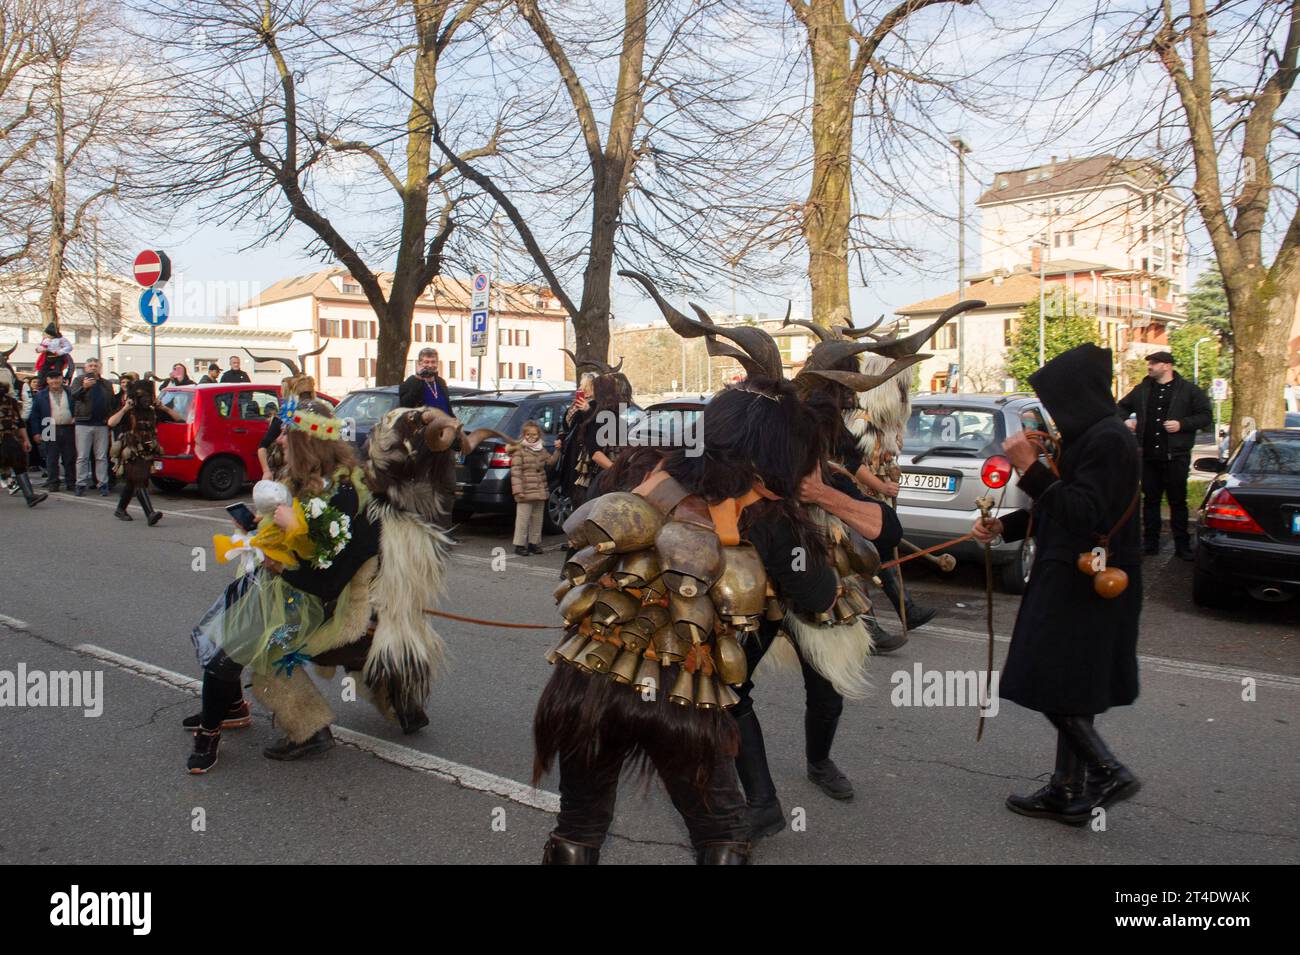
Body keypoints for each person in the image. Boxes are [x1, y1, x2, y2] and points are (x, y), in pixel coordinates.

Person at [972, 343, 1142, 826]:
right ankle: (1067, 791)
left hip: (1084, 583)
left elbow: (1087, 515)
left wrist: (1029, 465)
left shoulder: (1109, 440)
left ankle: (1106, 770)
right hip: (1068, 575)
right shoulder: (1092, 437)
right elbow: (1059, 505)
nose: (1050, 411)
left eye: (1055, 399)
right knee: (1075, 686)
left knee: (1046, 678)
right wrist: (1003, 526)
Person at [186, 400, 380, 773]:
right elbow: (285, 538)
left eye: (288, 439)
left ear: (308, 444)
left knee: (228, 653)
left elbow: (329, 575)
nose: (279, 445)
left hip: (314, 600)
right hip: (281, 585)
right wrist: (258, 533)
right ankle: (231, 709)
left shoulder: (345, 495)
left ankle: (211, 734)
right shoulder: (303, 481)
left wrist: (275, 558)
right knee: (223, 631)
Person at [1117, 350, 1213, 560]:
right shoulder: (1142, 390)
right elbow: (1120, 408)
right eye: (1149, 363)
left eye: (1154, 363)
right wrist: (1126, 421)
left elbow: (1206, 416)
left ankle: (1182, 546)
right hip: (1148, 456)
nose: (1149, 366)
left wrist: (1182, 424)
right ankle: (1150, 543)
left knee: (1177, 502)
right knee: (1150, 501)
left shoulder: (1188, 390)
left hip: (1176, 456)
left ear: (1167, 366)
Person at [106, 377, 181, 524]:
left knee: (133, 482)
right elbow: (111, 422)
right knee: (139, 480)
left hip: (147, 451)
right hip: (131, 452)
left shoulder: (154, 411)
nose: (146, 399)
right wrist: (124, 409)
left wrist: (164, 408)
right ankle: (150, 514)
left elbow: (179, 419)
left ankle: (120, 509)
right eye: (142, 396)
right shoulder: (129, 411)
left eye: (148, 396)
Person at [509, 419, 558, 555]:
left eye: (534, 435)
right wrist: (518, 491)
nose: (531, 437)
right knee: (523, 520)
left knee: (537, 519)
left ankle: (534, 543)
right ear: (523, 435)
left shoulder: (541, 450)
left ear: (539, 435)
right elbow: (516, 472)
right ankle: (519, 545)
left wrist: (558, 450)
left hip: (540, 489)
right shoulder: (519, 451)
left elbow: (551, 462)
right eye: (528, 435)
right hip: (525, 490)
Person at [70, 357, 117, 497]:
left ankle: (103, 483)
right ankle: (80, 483)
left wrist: (109, 420)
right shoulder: (79, 380)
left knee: (101, 456)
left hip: (101, 424)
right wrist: (84, 387)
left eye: (96, 365)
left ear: (100, 367)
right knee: (82, 456)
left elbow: (111, 403)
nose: (93, 367)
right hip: (83, 422)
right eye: (90, 365)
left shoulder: (106, 384)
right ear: (85, 367)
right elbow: (74, 396)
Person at [0, 378, 46, 507]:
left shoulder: (11, 402)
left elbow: (19, 422)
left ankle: (30, 496)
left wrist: (26, 440)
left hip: (8, 438)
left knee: (18, 463)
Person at [29, 369, 76, 491]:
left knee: (70, 456)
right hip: (48, 426)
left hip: (68, 427)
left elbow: (77, 407)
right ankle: (53, 483)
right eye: (52, 379)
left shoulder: (70, 392)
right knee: (51, 457)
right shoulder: (41, 395)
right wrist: (36, 432)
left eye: (57, 378)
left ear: (62, 379)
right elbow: (34, 415)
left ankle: (71, 482)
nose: (55, 381)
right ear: (48, 380)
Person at [399, 347, 452, 415]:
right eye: (426, 362)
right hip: (423, 424)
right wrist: (419, 379)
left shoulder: (441, 382)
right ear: (419, 363)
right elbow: (405, 406)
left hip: (444, 423)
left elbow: (448, 407)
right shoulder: (410, 382)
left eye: (433, 362)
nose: (430, 365)